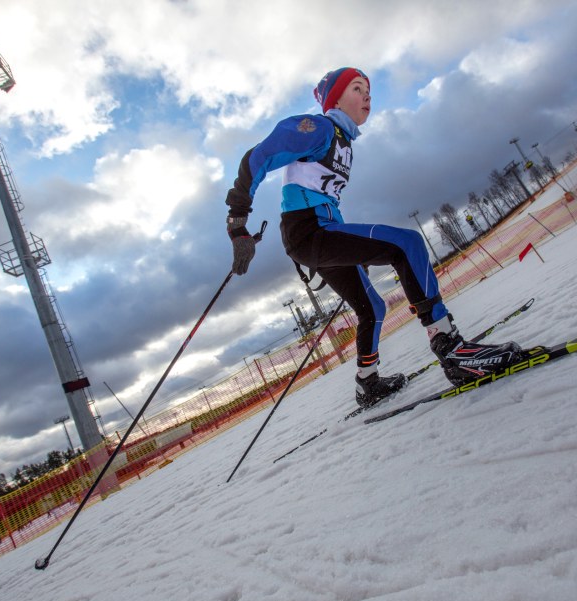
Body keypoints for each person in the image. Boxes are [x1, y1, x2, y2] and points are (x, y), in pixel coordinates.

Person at [225, 67, 524, 407]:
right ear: (335, 98)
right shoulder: (321, 128)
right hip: (310, 232)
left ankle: (367, 382)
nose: (367, 95)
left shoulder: (343, 141)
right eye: (356, 88)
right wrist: (237, 223)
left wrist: (353, 252)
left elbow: (321, 197)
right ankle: (451, 347)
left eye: (368, 89)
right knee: (406, 244)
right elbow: (259, 156)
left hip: (320, 232)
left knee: (372, 307)